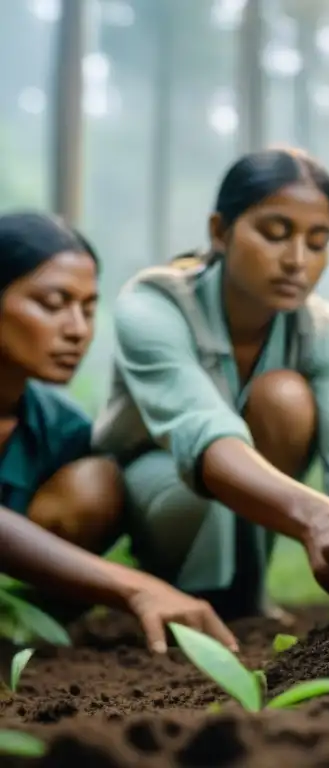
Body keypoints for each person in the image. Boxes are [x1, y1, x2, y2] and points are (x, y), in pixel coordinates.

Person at [93, 147, 329, 623]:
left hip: (252, 496)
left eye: (317, 241)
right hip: (156, 478)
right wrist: (318, 518)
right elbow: (202, 431)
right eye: (275, 233)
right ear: (220, 232)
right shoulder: (154, 303)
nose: (296, 260)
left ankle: (247, 591)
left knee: (284, 399)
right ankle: (175, 595)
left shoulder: (320, 328)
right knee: (191, 502)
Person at [0, 211, 237, 654]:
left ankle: (23, 627)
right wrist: (132, 587)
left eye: (88, 308)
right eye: (53, 304)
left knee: (97, 481)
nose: (77, 330)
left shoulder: (61, 428)